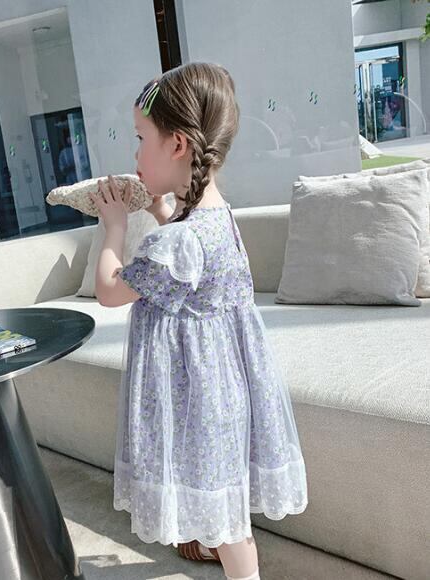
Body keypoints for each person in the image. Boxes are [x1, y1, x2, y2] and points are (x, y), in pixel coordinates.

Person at [89, 62, 308, 580]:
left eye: (141, 138)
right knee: (221, 499)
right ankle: (215, 548)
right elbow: (188, 265)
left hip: (196, 399)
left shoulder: (178, 241)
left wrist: (114, 226)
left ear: (178, 145)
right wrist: (158, 210)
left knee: (226, 516)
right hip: (223, 387)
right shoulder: (216, 217)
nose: (135, 154)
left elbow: (109, 291)